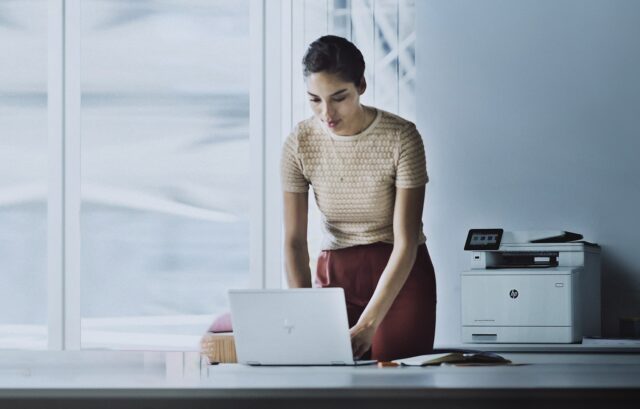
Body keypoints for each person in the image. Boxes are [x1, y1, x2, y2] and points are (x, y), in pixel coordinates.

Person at [280, 35, 436, 362]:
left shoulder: (402, 137)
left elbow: (406, 242)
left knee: (394, 379)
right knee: (331, 380)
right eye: (315, 100)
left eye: (339, 97)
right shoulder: (299, 143)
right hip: (336, 271)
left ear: (361, 85)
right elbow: (294, 242)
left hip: (400, 272)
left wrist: (368, 323)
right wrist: (304, 312)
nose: (327, 113)